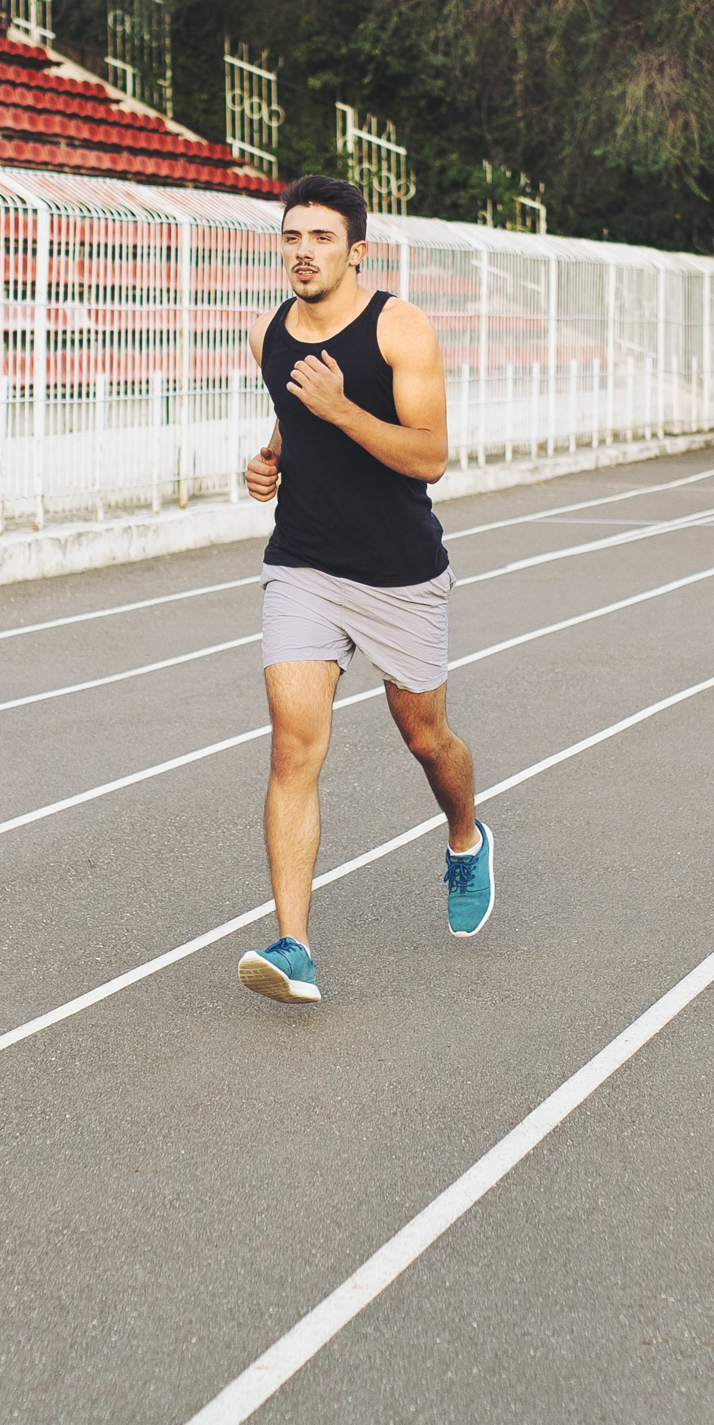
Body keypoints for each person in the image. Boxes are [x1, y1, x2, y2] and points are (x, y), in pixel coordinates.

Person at [237, 175, 490, 1006]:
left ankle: (463, 837)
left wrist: (344, 413)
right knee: (293, 746)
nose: (303, 252)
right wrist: (273, 454)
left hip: (397, 573)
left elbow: (428, 457)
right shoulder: (267, 332)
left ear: (356, 251)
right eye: (291, 238)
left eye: (320, 238)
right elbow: (292, 408)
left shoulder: (398, 327)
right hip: (303, 564)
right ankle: (294, 945)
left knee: (427, 740)